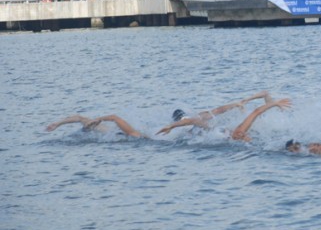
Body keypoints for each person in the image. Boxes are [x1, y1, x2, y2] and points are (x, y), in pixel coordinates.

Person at [157, 95, 292, 142]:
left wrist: (274, 104)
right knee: (197, 121)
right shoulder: (214, 130)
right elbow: (193, 121)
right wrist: (172, 126)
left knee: (209, 115)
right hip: (190, 124)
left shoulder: (237, 131)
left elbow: (256, 112)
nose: (245, 136)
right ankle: (175, 122)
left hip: (198, 124)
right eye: (244, 136)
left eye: (244, 136)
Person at [46, 114, 148, 138]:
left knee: (84, 121)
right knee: (85, 121)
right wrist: (98, 119)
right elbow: (114, 117)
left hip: (115, 135)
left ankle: (58, 123)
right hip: (116, 133)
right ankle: (57, 123)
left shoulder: (135, 135)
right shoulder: (133, 133)